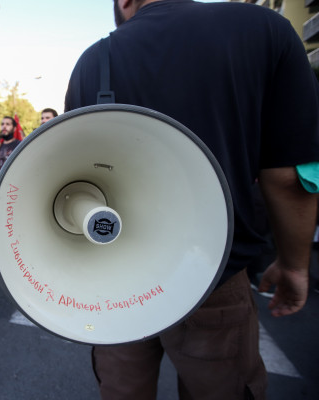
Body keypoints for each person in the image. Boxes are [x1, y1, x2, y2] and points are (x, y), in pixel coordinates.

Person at [64, 1, 319, 399]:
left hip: (116, 281)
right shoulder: (266, 30)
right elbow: (290, 177)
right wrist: (294, 265)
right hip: (212, 277)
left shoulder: (94, 60)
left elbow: (76, 179)